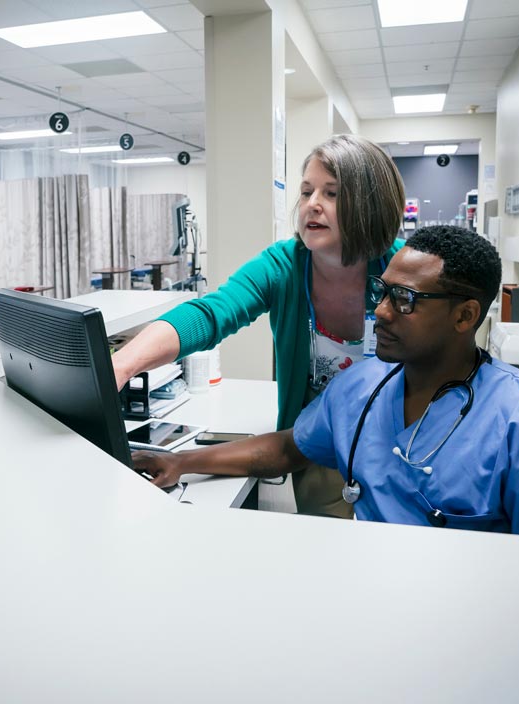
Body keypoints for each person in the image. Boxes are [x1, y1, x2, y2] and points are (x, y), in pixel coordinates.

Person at [135, 226, 519, 540]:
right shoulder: (365, 384)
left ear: (465, 315)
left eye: (404, 300)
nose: (380, 312)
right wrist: (182, 461)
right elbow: (288, 449)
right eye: (383, 293)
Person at [112, 134, 406, 518]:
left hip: (397, 445)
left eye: (332, 194)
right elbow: (211, 313)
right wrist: (121, 365)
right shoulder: (283, 266)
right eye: (306, 191)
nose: (312, 205)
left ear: (370, 205)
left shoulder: (403, 271)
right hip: (315, 446)